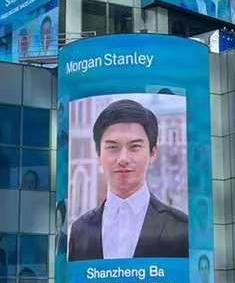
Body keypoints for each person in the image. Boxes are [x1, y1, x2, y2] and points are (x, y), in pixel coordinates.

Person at [68, 99, 189, 261]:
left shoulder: (180, 227)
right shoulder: (80, 231)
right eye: (113, 147)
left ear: (153, 153)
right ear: (98, 154)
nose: (123, 159)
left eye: (134, 147)